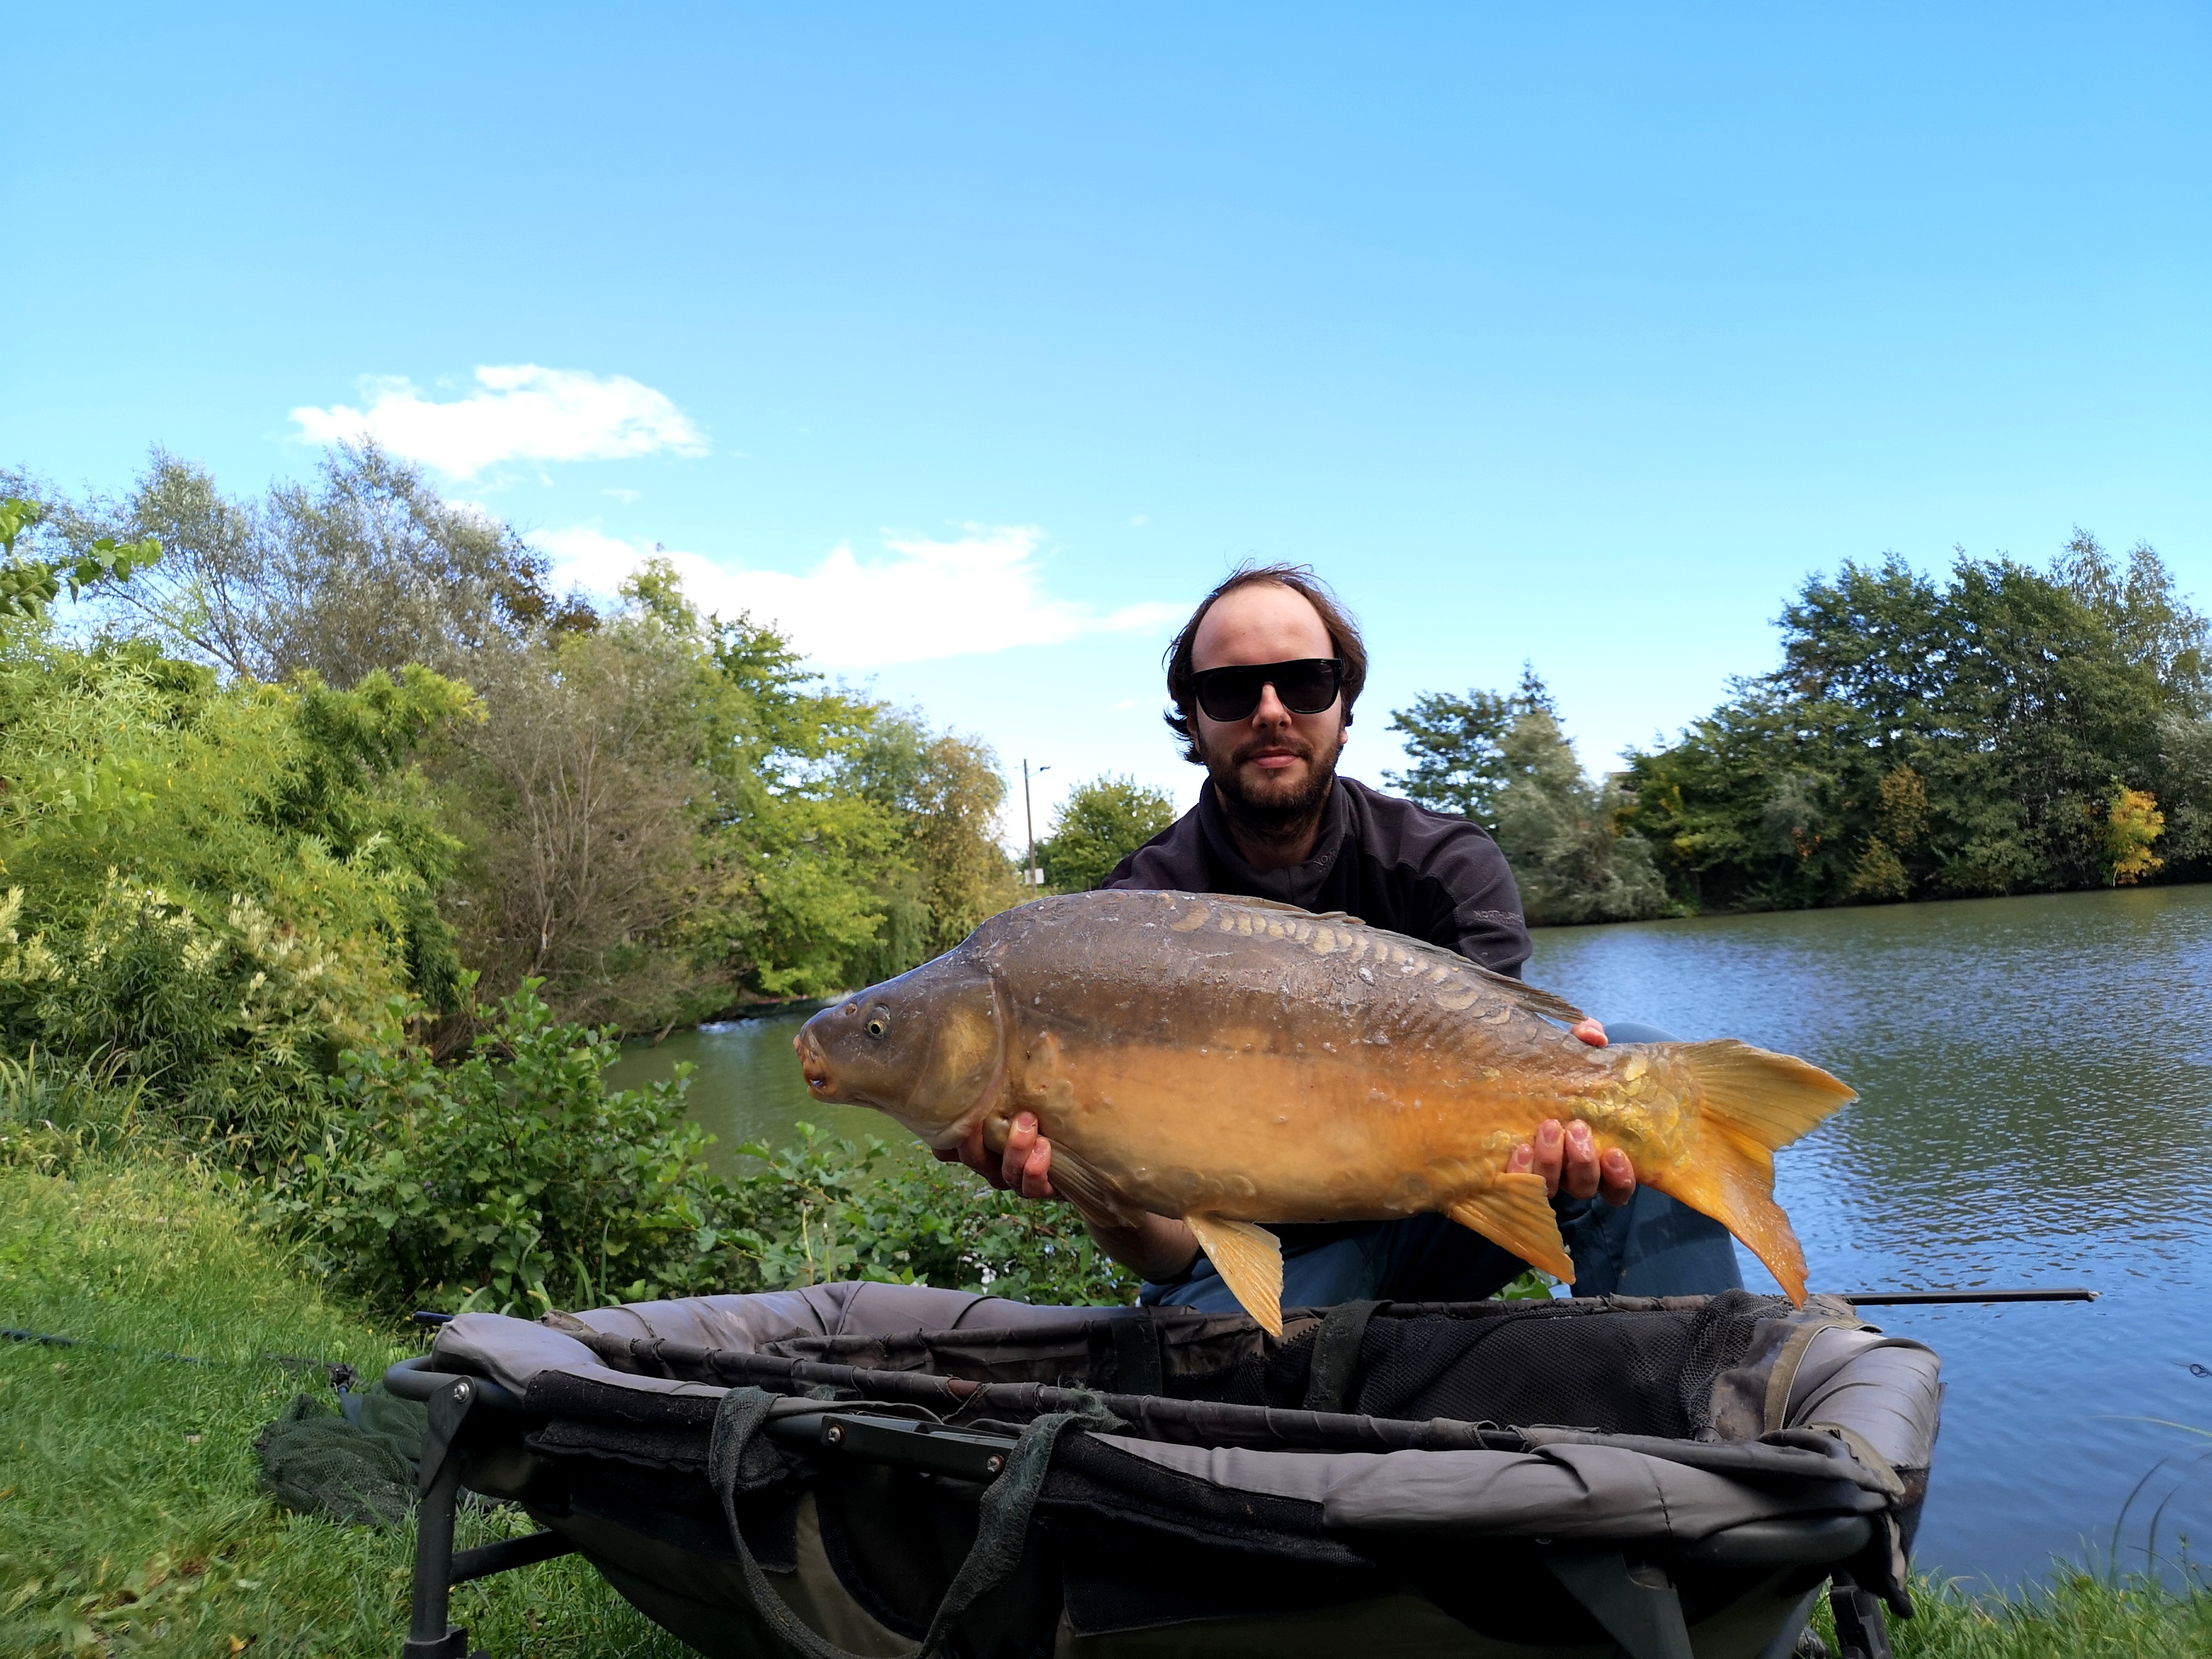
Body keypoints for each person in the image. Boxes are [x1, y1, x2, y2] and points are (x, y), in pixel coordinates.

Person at [943, 563, 1741, 1307]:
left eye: (1304, 681)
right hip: (1271, 1267)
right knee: (1217, 1365)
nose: (1270, 710)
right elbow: (1168, 1253)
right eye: (1228, 691)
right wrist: (1096, 1191)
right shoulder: (1126, 922)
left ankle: (1708, 1407)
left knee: (1635, 1080)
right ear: (1192, 718)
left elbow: (1517, 1080)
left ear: (1344, 705)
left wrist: (1565, 1124)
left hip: (1444, 1215)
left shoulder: (1443, 863)